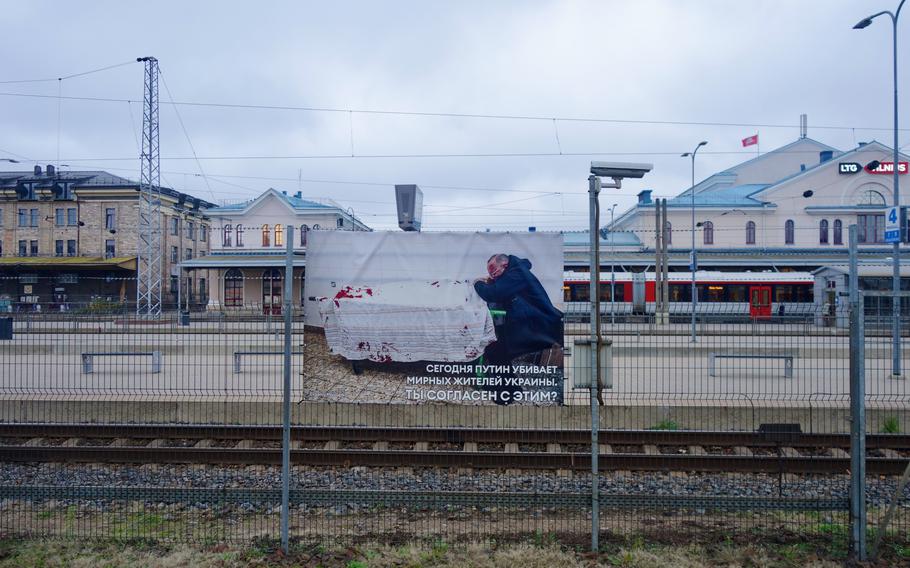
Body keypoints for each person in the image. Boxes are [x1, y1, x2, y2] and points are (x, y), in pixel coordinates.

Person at [474, 254, 563, 404]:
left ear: (505, 265)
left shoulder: (517, 274)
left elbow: (493, 294)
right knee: (495, 348)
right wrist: (493, 282)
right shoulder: (516, 272)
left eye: (495, 272)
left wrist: (478, 284)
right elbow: (500, 291)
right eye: (491, 273)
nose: (493, 276)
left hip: (538, 326)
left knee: (495, 350)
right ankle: (509, 390)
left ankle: (506, 394)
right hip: (532, 322)